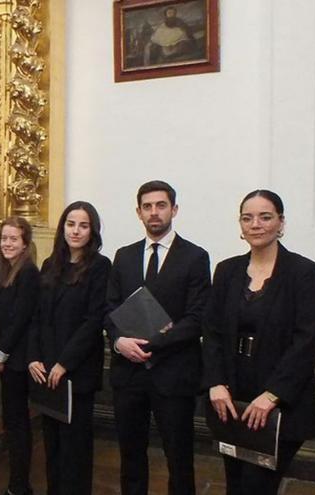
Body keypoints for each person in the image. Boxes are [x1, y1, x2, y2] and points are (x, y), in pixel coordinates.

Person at [203, 190, 315, 495]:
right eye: (248, 217)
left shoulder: (304, 272)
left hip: (279, 401)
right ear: (241, 225)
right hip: (231, 399)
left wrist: (272, 395)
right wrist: (215, 383)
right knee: (236, 484)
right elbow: (213, 331)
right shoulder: (227, 270)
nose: (255, 224)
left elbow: (306, 341)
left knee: (257, 487)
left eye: (265, 216)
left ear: (281, 222)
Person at [105, 180, 210, 495]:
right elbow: (109, 309)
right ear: (138, 212)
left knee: (179, 458)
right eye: (147, 207)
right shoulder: (123, 256)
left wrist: (153, 344)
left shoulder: (195, 256)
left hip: (174, 374)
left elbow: (196, 318)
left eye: (161, 205)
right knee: (130, 455)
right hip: (129, 374)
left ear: (174, 209)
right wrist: (118, 342)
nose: (154, 212)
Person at [27, 201, 111, 495]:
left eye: (83, 225)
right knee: (51, 445)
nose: (76, 231)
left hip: (76, 371)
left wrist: (64, 363)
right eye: (71, 224)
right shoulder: (51, 265)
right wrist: (35, 357)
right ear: (62, 227)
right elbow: (37, 316)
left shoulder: (101, 267)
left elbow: (92, 322)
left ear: (92, 231)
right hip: (47, 370)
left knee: (75, 447)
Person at [0, 216, 40, 495]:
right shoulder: (5, 271)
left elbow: (20, 319)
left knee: (18, 425)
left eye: (13, 239)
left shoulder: (28, 273)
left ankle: (20, 486)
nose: (7, 244)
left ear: (24, 244)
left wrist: (0, 354)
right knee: (12, 423)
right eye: (4, 238)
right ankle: (16, 483)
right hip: (9, 360)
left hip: (18, 361)